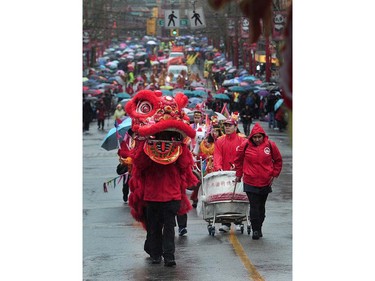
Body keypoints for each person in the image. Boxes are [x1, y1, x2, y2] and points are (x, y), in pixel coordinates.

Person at [233, 123, 283, 239]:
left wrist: (274, 174)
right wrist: (238, 175)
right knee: (254, 206)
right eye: (254, 137)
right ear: (251, 137)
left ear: (263, 136)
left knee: (261, 207)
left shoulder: (270, 145)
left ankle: (259, 227)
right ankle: (255, 230)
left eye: (259, 137)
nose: (257, 140)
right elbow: (238, 161)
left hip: (265, 181)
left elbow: (278, 160)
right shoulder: (245, 146)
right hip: (250, 181)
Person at [213, 114, 247, 232]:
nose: (227, 128)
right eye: (225, 125)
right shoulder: (220, 141)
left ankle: (238, 221)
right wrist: (218, 168)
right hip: (224, 174)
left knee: (238, 196)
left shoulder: (243, 140)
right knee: (225, 196)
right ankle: (225, 222)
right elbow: (217, 155)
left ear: (235, 127)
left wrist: (239, 168)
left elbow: (245, 157)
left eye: (229, 125)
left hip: (238, 174)